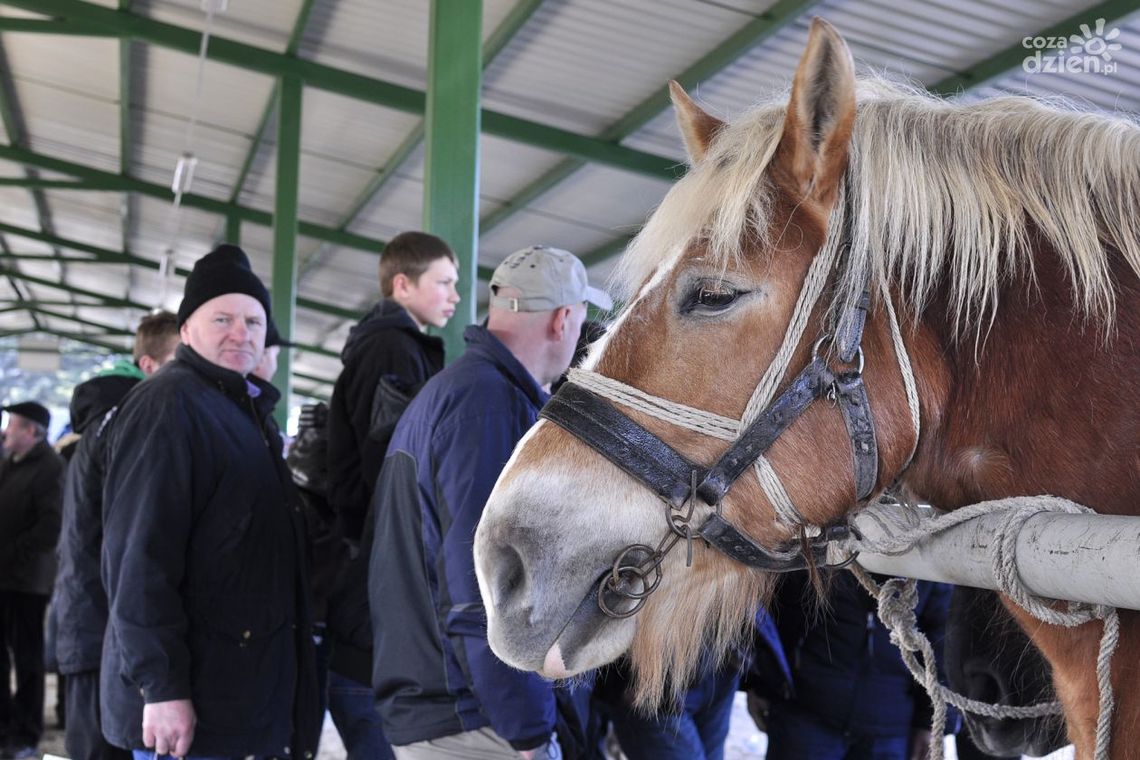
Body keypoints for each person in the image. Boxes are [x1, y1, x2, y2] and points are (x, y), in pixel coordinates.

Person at [368, 244, 611, 760]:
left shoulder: (459, 391)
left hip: (446, 703)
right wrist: (528, 729)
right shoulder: (488, 407)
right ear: (562, 320)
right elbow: (484, 586)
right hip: (474, 718)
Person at [99, 244, 319, 760]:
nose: (241, 333)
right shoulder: (169, 405)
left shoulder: (244, 412)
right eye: (223, 319)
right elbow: (138, 556)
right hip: (188, 710)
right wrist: (161, 686)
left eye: (253, 321)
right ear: (187, 329)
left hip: (232, 697)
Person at [325, 230, 459, 758]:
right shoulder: (392, 348)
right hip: (376, 570)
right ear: (402, 285)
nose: (454, 295)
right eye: (443, 283)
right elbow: (391, 465)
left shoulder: (397, 344)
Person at [55, 311, 180, 760]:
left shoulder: (105, 423)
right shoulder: (125, 424)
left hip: (94, 623)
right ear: (149, 365)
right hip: (101, 626)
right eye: (179, 359)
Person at [747, 569, 958, 760]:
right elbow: (780, 612)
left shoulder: (928, 565)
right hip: (807, 713)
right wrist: (761, 683)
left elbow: (942, 642)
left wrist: (930, 723)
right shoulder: (822, 545)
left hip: (890, 724)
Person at [0, 400, 65, 759]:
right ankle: (4, 724)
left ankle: (26, 733)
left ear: (31, 431)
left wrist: (12, 552)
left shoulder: (50, 468)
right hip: (4, 578)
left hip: (27, 582)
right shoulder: (9, 462)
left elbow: (50, 526)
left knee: (27, 659)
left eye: (12, 424)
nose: (6, 431)